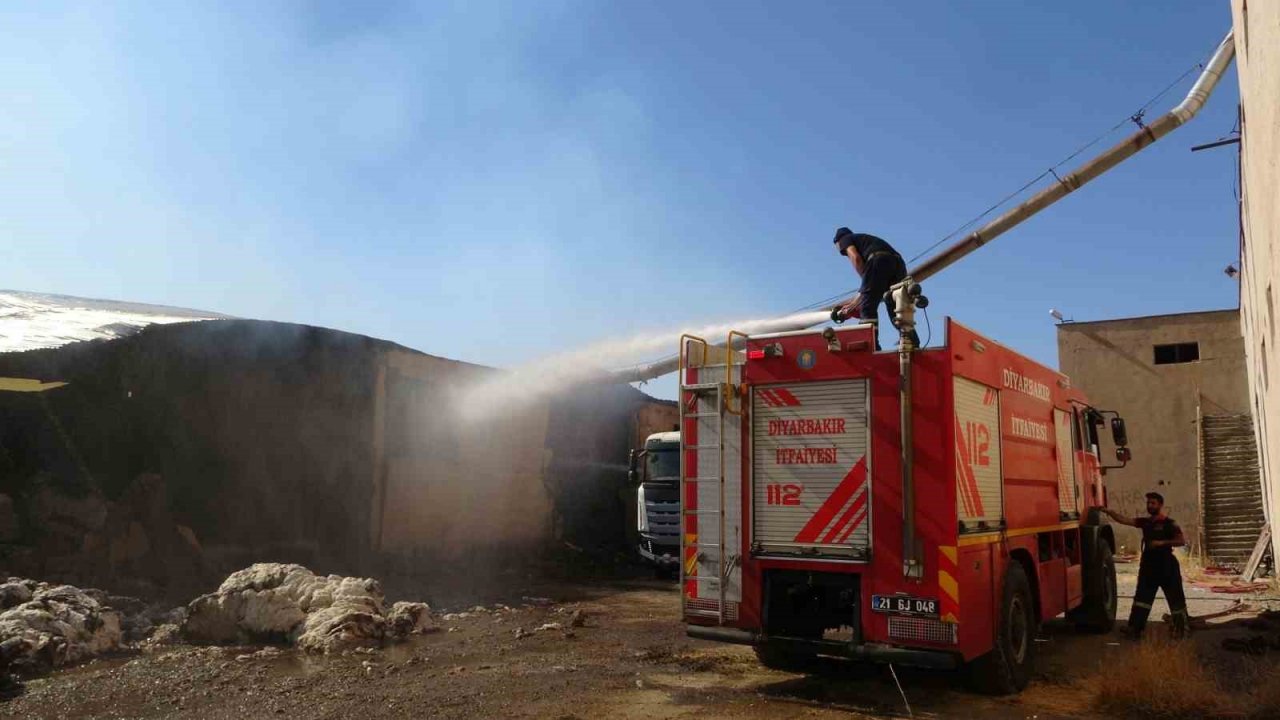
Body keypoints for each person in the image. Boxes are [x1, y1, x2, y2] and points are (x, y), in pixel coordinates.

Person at [1102, 492, 1190, 638]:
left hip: (1167, 565)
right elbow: (1125, 520)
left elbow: (1181, 541)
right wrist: (1109, 512)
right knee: (1142, 598)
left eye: (1153, 503)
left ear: (1160, 505)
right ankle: (1134, 629)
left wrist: (1161, 543)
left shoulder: (1169, 523)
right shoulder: (1146, 522)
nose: (1150, 506)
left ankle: (1181, 630)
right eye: (1148, 503)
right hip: (1149, 565)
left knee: (1176, 598)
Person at [831, 227, 919, 349]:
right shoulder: (865, 240)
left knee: (867, 307)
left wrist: (866, 286)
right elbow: (866, 289)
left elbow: (856, 258)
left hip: (879, 261)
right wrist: (853, 304)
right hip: (898, 264)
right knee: (894, 302)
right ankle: (910, 339)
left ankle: (871, 345)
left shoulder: (845, 239)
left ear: (837, 242)